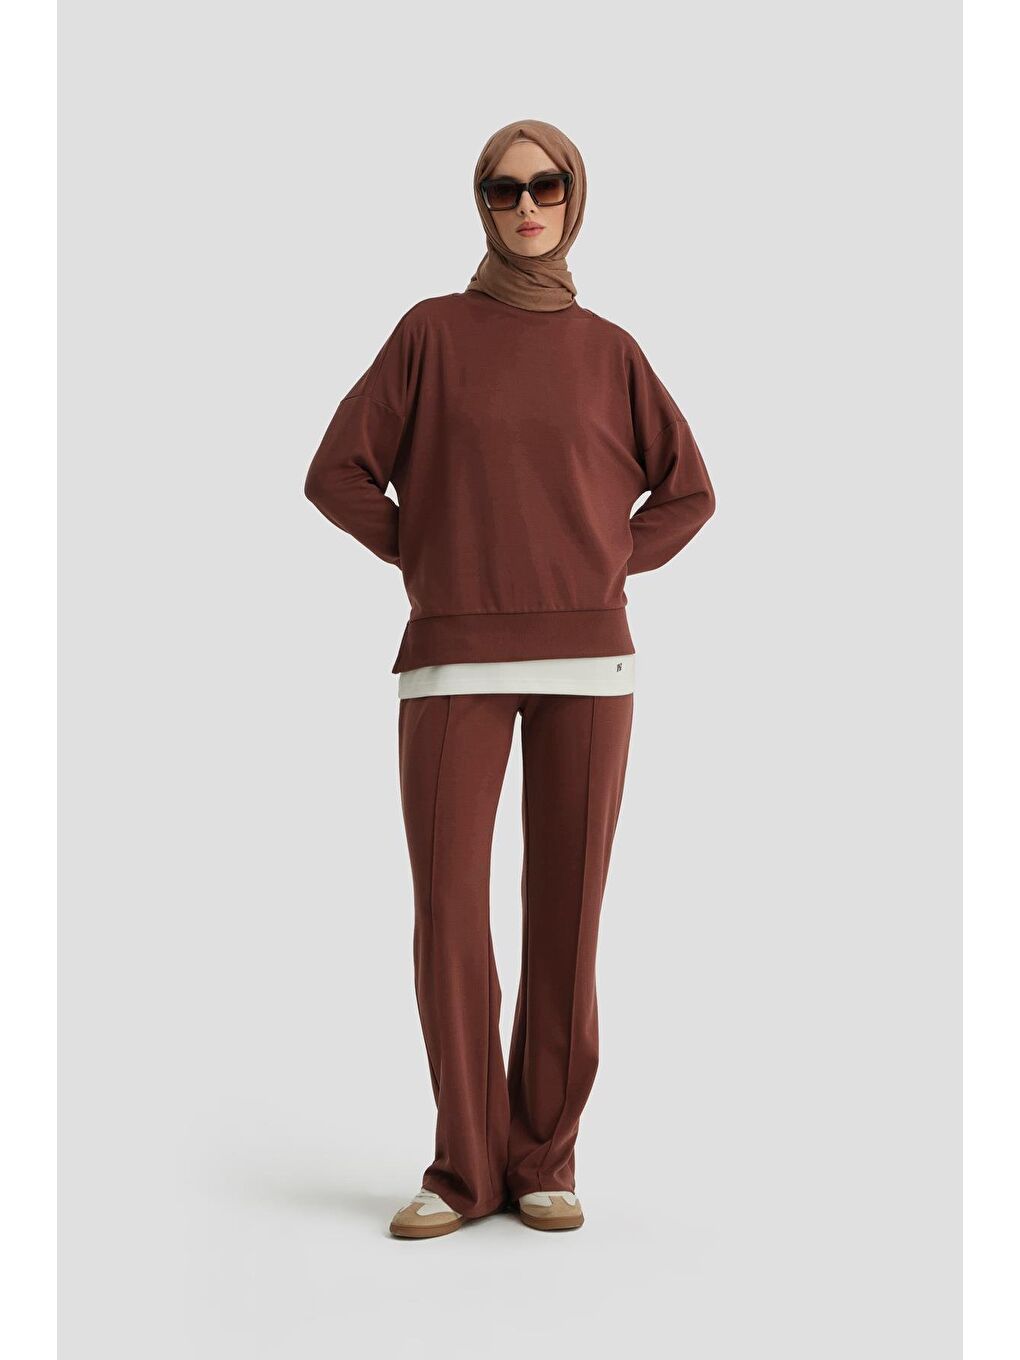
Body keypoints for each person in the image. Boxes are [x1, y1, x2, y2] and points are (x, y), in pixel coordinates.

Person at [304, 118, 716, 1239]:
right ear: (480, 202)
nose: (525, 205)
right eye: (502, 188)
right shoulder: (430, 333)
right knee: (449, 915)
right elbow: (336, 473)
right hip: (452, 658)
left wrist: (600, 559)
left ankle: (544, 1159)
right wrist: (433, 556)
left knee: (567, 914)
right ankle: (463, 1169)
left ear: (575, 199)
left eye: (546, 186)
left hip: (591, 660)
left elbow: (689, 491)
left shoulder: (612, 350)